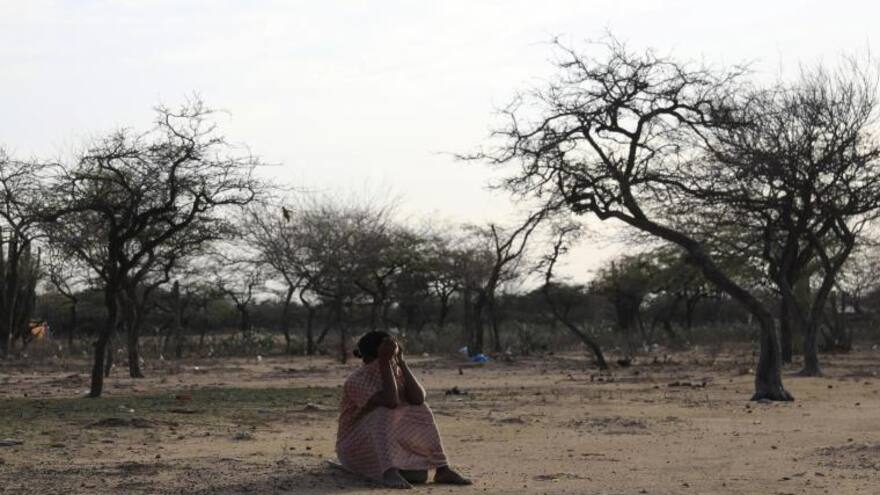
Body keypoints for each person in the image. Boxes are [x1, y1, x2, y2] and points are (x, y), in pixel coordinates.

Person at [336, 331, 472, 489]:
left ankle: (442, 468)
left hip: (385, 444)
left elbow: (418, 398)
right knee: (382, 412)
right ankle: (388, 471)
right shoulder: (356, 380)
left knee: (421, 409)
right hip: (354, 444)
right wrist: (385, 362)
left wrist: (401, 362)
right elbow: (390, 402)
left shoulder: (396, 372)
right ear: (370, 358)